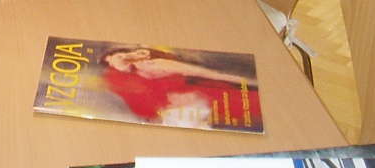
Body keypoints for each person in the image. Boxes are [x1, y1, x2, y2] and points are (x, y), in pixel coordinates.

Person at [100, 45, 261, 129]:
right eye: (119, 57)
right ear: (108, 58)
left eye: (124, 55)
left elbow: (204, 73)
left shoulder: (153, 65)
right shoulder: (117, 79)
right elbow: (147, 111)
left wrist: (247, 82)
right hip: (179, 117)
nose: (125, 59)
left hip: (202, 103)